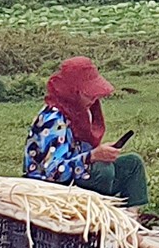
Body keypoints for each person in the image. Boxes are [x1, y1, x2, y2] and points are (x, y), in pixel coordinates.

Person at [25, 56, 150, 209]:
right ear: (72, 92)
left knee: (133, 163)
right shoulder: (53, 120)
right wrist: (92, 156)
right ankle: (97, 212)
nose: (93, 99)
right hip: (51, 189)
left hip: (76, 178)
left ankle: (131, 217)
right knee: (103, 170)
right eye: (88, 94)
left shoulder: (79, 113)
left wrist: (99, 153)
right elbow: (53, 172)